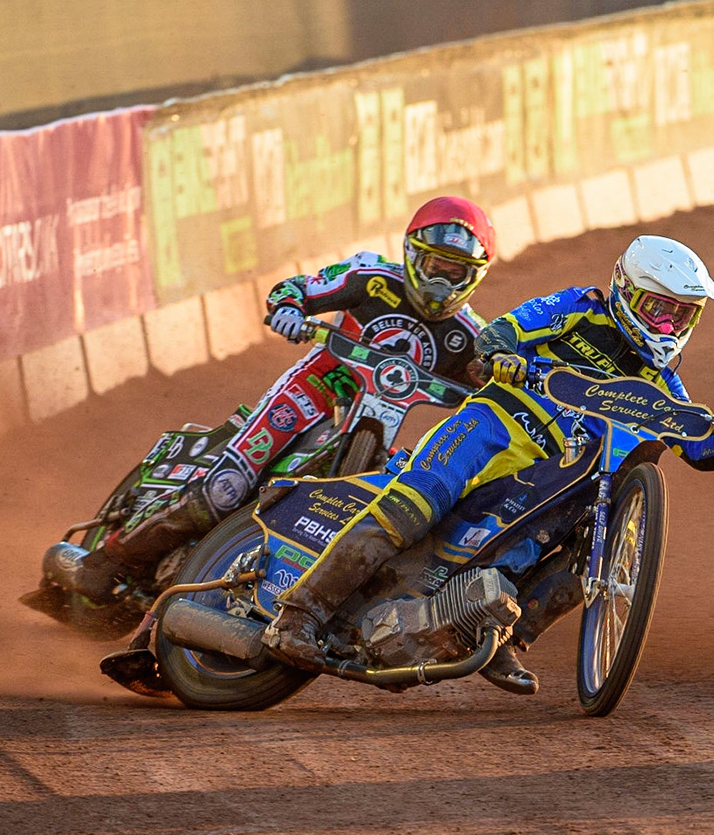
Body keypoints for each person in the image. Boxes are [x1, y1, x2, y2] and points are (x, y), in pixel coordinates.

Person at [259, 235, 714, 694]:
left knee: (596, 542)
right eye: (659, 310)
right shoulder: (580, 307)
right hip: (495, 424)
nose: (669, 326)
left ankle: (501, 632)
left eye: (682, 316)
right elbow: (504, 329)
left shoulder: (661, 385)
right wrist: (505, 353)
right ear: (625, 290)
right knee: (415, 505)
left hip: (548, 476)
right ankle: (298, 615)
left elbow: (698, 447)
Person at [70, 196, 496, 603]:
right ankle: (108, 559)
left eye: (455, 272)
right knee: (225, 488)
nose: (441, 280)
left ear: (475, 275)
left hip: (381, 427)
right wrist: (290, 309)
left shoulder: (471, 336)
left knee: (380, 511)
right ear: (412, 253)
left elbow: (492, 386)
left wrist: (507, 380)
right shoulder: (372, 279)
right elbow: (297, 288)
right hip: (315, 389)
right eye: (436, 264)